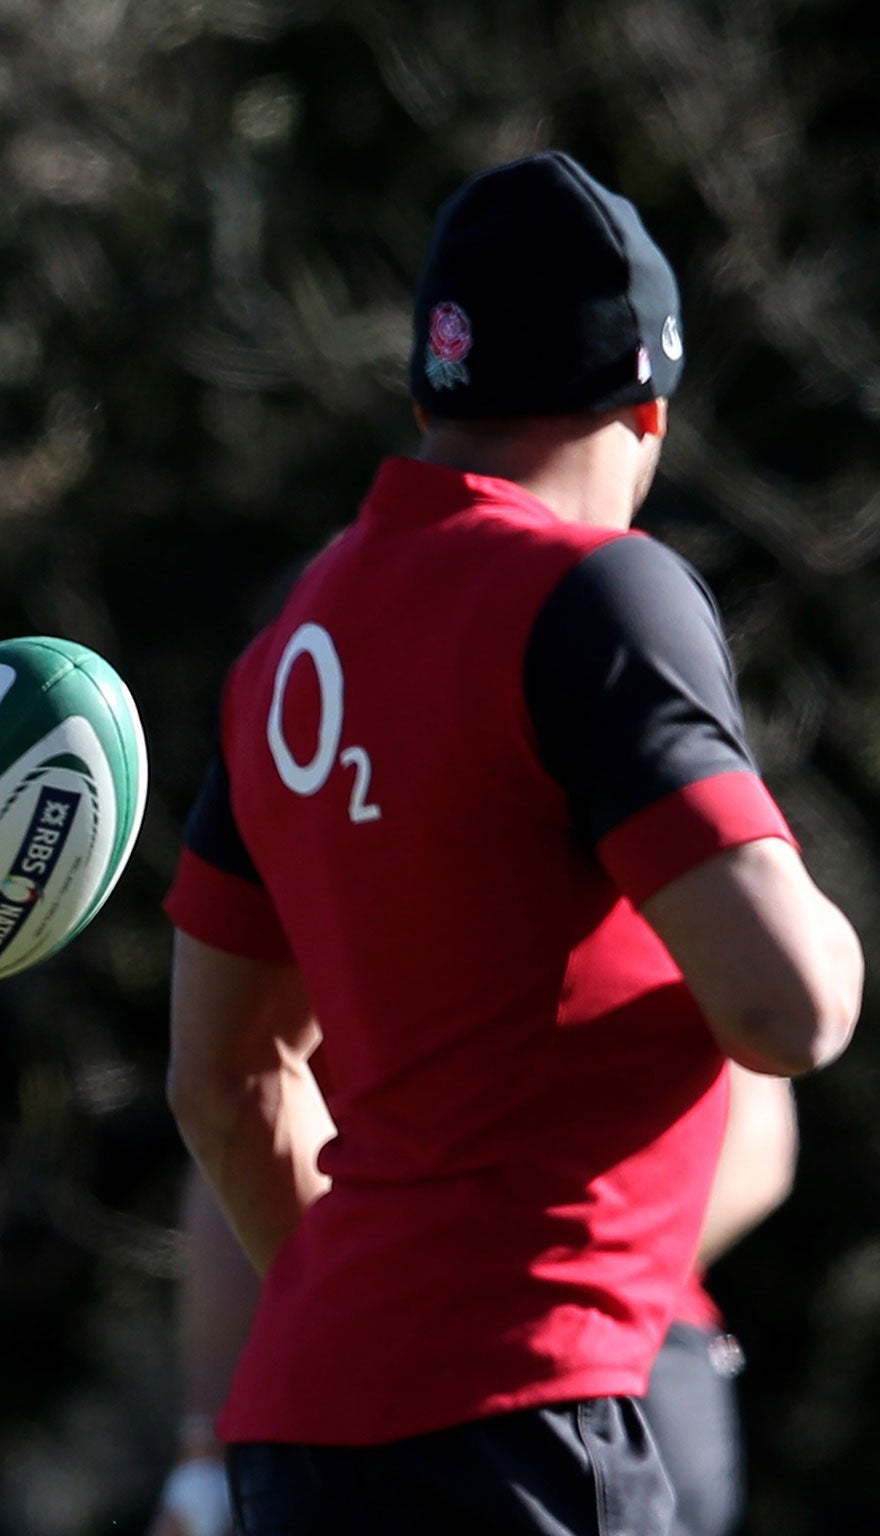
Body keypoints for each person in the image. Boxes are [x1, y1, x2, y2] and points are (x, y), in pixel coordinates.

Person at [163, 151, 862, 1535]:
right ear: (648, 411)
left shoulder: (290, 643)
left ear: (431, 390)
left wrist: (387, 1323)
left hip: (306, 1432)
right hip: (535, 1423)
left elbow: (223, 1086)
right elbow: (791, 1010)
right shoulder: (603, 595)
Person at [148, 1067, 798, 1536]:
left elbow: (757, 1140)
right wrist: (203, 1456)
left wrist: (539, 1289)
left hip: (622, 1360)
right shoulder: (319, 883)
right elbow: (235, 1094)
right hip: (377, 1372)